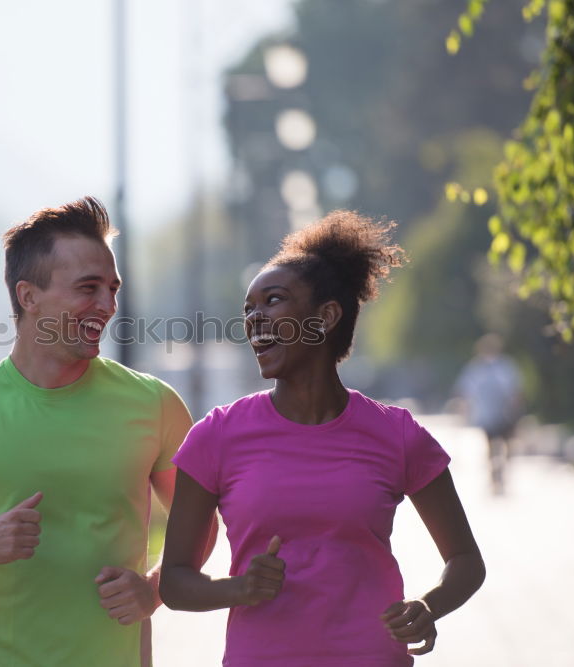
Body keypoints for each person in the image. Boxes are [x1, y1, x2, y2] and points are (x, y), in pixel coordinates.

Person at [0, 197, 210, 667]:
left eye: (112, 288)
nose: (108, 306)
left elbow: (202, 521)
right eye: (88, 288)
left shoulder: (154, 404)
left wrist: (154, 589)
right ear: (28, 296)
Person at [159, 211, 485, 666]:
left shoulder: (398, 435)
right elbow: (173, 581)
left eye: (272, 300)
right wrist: (238, 588)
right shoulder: (216, 436)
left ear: (326, 317)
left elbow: (466, 560)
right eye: (248, 309)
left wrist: (428, 607)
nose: (255, 318)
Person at [455, 333, 523, 494]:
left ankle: (502, 472)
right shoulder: (476, 369)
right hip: (486, 416)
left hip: (505, 414)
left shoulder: (505, 366)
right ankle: (494, 474)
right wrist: (464, 409)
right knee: (491, 445)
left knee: (506, 445)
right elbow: (465, 391)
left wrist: (516, 409)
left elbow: (515, 390)